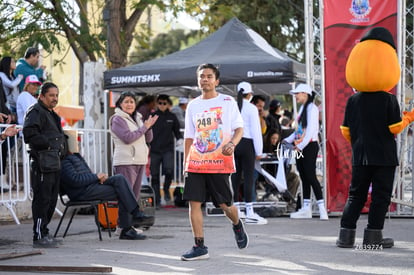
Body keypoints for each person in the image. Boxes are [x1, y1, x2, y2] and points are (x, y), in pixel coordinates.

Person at [336, 27, 414, 249]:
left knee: (356, 195)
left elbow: (345, 130)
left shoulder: (353, 100)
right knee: (380, 196)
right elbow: (395, 127)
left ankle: (346, 236)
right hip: (384, 156)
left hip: (360, 155)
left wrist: (360, 141)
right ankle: (373, 237)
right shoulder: (388, 100)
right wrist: (409, 118)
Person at [181, 63, 248, 261]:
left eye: (209, 76)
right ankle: (199, 246)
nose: (205, 79)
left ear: (216, 81)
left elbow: (239, 129)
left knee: (225, 206)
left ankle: (236, 223)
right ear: (198, 80)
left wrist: (233, 144)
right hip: (196, 161)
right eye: (202, 76)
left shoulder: (227, 102)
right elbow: (189, 137)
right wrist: (186, 162)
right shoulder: (193, 105)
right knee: (194, 203)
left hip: (220, 162)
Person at [60, 130, 152, 241]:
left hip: (90, 186)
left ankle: (131, 221)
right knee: (122, 191)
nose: (77, 144)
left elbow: (87, 175)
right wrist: (96, 177)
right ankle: (129, 223)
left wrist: (99, 178)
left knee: (120, 179)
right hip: (82, 193)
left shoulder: (76, 157)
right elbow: (75, 180)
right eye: (75, 142)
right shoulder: (64, 162)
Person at [23, 82, 68, 248]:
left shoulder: (52, 114)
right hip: (42, 163)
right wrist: (48, 145)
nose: (54, 98)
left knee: (50, 200)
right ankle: (39, 235)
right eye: (51, 95)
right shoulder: (35, 111)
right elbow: (29, 134)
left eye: (56, 95)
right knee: (42, 200)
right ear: (42, 96)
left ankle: (45, 231)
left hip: (54, 163)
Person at [284, 83, 328, 220]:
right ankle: (306, 208)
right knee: (303, 176)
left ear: (305, 94)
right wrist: (287, 140)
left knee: (310, 176)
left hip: (309, 146)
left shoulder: (313, 108)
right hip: (300, 146)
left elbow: (311, 131)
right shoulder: (303, 108)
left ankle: (322, 209)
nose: (295, 96)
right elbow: (299, 130)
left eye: (297, 93)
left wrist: (300, 146)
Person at [109, 92, 158, 201]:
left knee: (134, 198)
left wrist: (148, 127)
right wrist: (144, 128)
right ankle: (123, 218)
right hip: (126, 162)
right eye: (126, 102)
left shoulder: (138, 118)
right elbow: (127, 138)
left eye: (132, 102)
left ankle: (131, 218)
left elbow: (148, 139)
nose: (129, 104)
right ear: (120, 104)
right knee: (126, 197)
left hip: (139, 161)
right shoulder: (118, 119)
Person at [231, 81, 267, 225]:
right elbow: (256, 132)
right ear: (250, 94)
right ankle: (250, 211)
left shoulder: (232, 106)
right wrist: (259, 151)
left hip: (234, 143)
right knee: (249, 178)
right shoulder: (251, 108)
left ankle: (236, 209)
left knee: (234, 177)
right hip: (247, 144)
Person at [150, 94, 182, 207]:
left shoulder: (172, 117)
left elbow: (177, 131)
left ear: (168, 104)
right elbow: (146, 130)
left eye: (164, 103)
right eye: (160, 103)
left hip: (168, 149)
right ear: (157, 104)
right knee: (154, 175)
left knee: (169, 171)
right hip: (154, 149)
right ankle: (157, 199)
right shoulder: (152, 116)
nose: (162, 105)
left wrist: (180, 140)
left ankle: (167, 189)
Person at [262, 127, 300, 209]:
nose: (274, 140)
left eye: (276, 138)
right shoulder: (264, 146)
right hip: (270, 175)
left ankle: (288, 200)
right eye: (272, 138)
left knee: (295, 178)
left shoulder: (281, 146)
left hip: (281, 173)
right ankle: (286, 200)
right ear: (269, 138)